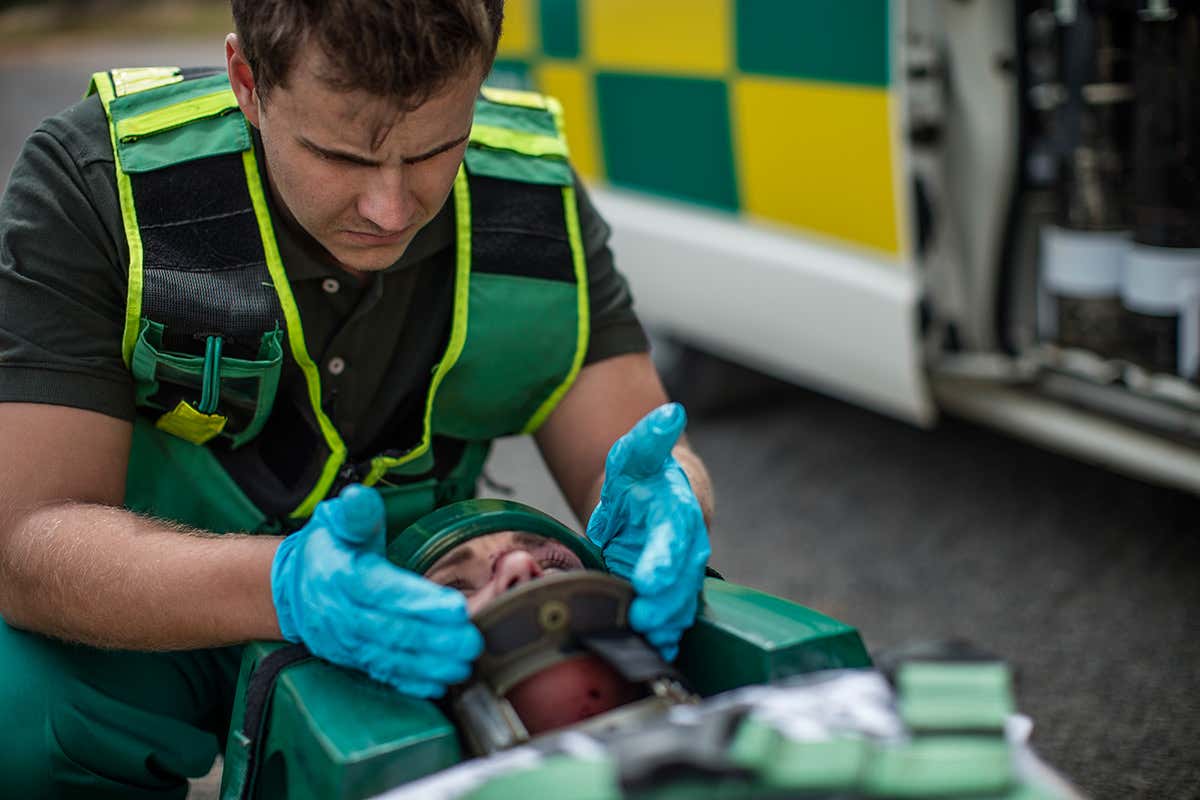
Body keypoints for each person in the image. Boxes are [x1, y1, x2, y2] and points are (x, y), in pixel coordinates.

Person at [0, 1, 713, 797]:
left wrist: (676, 496)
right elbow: (28, 542)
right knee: (14, 716)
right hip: (158, 598)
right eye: (339, 155)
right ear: (247, 80)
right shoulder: (96, 181)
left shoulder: (532, 197)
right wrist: (283, 585)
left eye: (437, 149)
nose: (392, 209)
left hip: (427, 609)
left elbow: (638, 453)